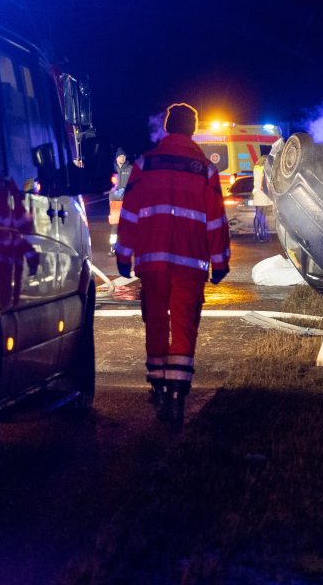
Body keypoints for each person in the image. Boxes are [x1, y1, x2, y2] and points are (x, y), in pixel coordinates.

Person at [115, 103, 230, 424]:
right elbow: (216, 221)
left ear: (167, 128)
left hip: (151, 261)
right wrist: (220, 262)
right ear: (192, 129)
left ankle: (159, 386)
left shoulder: (144, 165)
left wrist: (124, 256)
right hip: (190, 263)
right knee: (183, 322)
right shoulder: (205, 169)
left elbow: (130, 214)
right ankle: (178, 392)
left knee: (155, 320)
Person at [107, 148, 132, 256]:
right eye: (120, 156)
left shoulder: (130, 168)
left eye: (123, 156)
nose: (122, 158)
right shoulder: (112, 170)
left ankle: (126, 249)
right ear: (116, 158)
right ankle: (113, 248)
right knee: (114, 226)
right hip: (115, 202)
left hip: (126, 201)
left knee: (127, 226)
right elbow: (109, 186)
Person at [252, 155, 273, 241]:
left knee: (258, 215)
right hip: (264, 194)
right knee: (262, 216)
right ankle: (262, 234)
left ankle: (258, 234)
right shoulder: (264, 169)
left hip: (258, 193)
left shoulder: (256, 168)